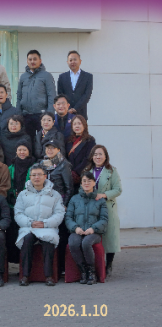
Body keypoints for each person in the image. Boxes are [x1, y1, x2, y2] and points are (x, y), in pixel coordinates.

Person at [15, 165, 65, 286]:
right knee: (27, 240)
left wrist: (45, 224)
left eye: (39, 175)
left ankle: (49, 276)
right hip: (29, 227)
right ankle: (25, 276)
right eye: (33, 175)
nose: (36, 177)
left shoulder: (54, 194)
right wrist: (30, 223)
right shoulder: (23, 194)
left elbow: (59, 213)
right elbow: (18, 213)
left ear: (45, 176)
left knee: (48, 241)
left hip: (48, 227)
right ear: (30, 177)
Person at [65, 171, 108, 285]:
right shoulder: (74, 199)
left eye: (89, 181)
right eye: (84, 181)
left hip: (94, 232)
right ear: (81, 183)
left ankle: (91, 272)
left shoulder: (100, 200)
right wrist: (75, 228)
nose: (86, 183)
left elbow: (104, 219)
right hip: (78, 230)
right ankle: (83, 271)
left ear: (94, 183)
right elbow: (68, 217)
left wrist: (93, 229)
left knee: (86, 243)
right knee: (73, 243)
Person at [84, 145, 120, 274]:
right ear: (92, 157)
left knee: (109, 236)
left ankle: (109, 264)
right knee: (93, 235)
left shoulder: (112, 171)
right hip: (91, 207)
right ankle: (95, 264)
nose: (98, 157)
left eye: (100, 154)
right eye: (95, 154)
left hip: (107, 206)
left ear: (105, 156)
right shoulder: (87, 170)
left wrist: (103, 195)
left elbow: (118, 189)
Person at [16, 50, 56, 136]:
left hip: (41, 115)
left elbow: (51, 95)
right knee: (27, 140)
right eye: (30, 59)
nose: (32, 61)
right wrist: (18, 113)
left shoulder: (47, 76)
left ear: (40, 61)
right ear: (27, 61)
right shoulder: (23, 77)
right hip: (26, 115)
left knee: (42, 140)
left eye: (35, 59)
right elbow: (19, 96)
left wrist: (50, 115)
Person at [57, 50, 93, 119]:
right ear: (67, 62)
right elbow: (60, 94)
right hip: (66, 113)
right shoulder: (62, 77)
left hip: (81, 113)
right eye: (70, 60)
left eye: (75, 60)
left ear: (80, 61)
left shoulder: (88, 76)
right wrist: (68, 108)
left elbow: (87, 95)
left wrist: (75, 108)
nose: (72, 62)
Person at [65, 116, 96, 180]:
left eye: (79, 123)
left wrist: (76, 172)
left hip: (83, 174)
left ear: (84, 125)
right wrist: (69, 171)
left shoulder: (90, 140)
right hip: (69, 174)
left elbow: (88, 158)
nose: (77, 126)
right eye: (74, 124)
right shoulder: (68, 140)